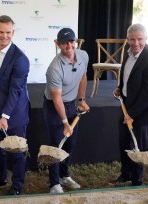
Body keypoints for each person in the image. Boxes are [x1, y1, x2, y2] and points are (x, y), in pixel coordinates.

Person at [0, 15, 30, 195]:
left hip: (14, 114)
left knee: (17, 153)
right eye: (1, 32)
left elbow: (15, 91)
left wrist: (5, 116)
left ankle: (17, 186)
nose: (4, 36)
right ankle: (0, 179)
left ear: (13, 33)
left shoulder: (20, 59)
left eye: (8, 32)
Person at [112, 23, 148, 186]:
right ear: (127, 39)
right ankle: (125, 174)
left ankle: (137, 180)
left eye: (140, 39)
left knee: (138, 147)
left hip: (142, 111)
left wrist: (131, 114)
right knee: (123, 142)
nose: (136, 43)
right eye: (132, 39)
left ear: (146, 39)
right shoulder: (128, 53)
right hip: (126, 106)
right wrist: (120, 89)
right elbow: (126, 77)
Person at [43, 28, 89, 194]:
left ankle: (64, 175)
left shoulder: (83, 56)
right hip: (54, 107)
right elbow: (56, 98)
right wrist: (64, 122)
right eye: (64, 43)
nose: (69, 45)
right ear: (58, 44)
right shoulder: (54, 68)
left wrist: (81, 100)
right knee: (57, 145)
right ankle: (54, 184)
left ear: (76, 41)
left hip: (72, 104)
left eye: (72, 41)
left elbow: (83, 76)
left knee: (70, 143)